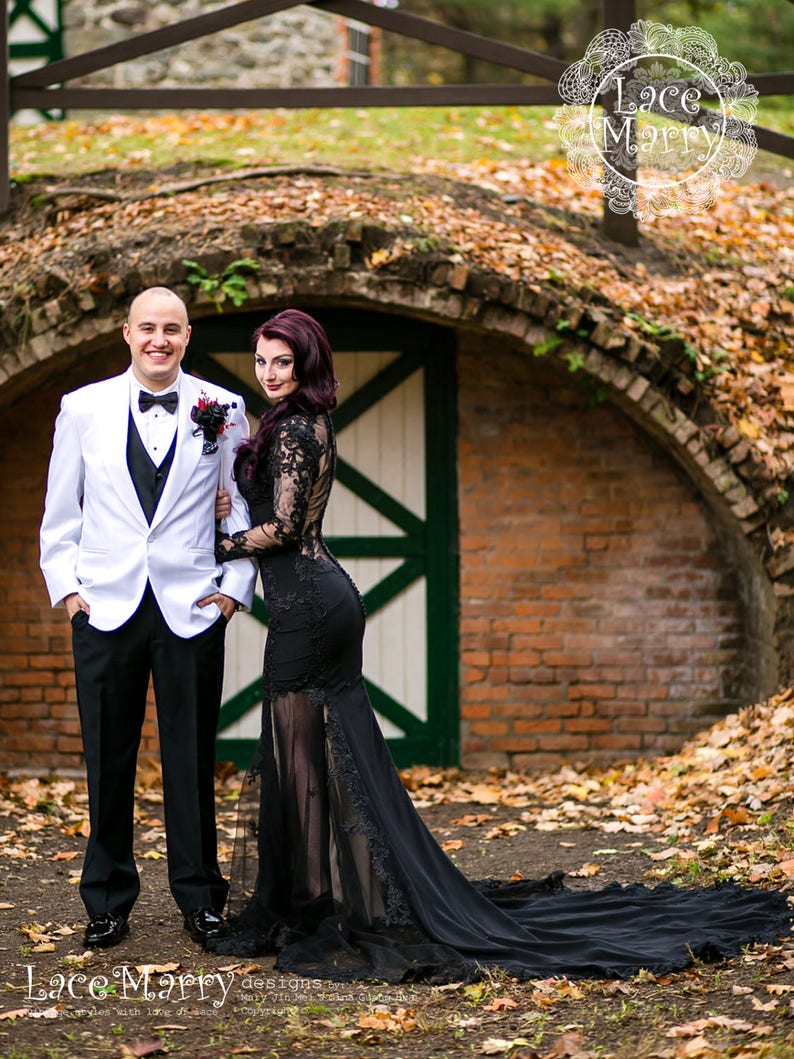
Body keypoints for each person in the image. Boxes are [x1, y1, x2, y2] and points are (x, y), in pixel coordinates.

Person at [210, 308, 791, 982]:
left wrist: (216, 544)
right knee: (312, 755)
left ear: (307, 364)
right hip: (320, 599)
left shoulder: (292, 431)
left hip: (309, 606)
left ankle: (309, 906)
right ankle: (314, 898)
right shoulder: (299, 423)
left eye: (283, 361)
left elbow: (281, 526)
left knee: (300, 757)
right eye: (262, 362)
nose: (270, 373)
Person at [39, 287, 257, 950]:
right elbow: (61, 513)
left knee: (191, 759)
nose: (158, 340)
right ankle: (106, 899)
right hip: (104, 607)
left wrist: (233, 591)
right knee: (108, 757)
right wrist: (70, 592)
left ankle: (201, 898)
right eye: (147, 329)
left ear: (187, 336)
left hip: (191, 606)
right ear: (126, 333)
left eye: (172, 329)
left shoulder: (223, 408)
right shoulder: (83, 408)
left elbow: (240, 507)